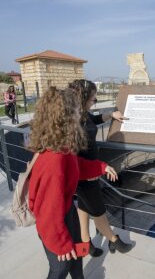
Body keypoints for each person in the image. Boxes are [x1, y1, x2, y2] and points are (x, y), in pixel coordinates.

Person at [27, 87, 117, 279]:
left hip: (66, 212)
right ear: (65, 116)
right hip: (55, 221)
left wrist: (100, 167)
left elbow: (75, 166)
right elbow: (47, 211)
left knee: (76, 258)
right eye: (77, 111)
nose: (80, 115)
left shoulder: (60, 146)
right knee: (61, 267)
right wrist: (60, 243)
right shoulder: (54, 158)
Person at [69, 79, 133, 256]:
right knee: (98, 211)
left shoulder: (82, 114)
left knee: (83, 205)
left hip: (90, 171)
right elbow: (74, 157)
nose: (94, 102)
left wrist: (110, 116)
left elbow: (93, 120)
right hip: (85, 174)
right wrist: (100, 167)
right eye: (93, 99)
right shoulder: (72, 122)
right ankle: (115, 241)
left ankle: (85, 242)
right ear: (83, 99)